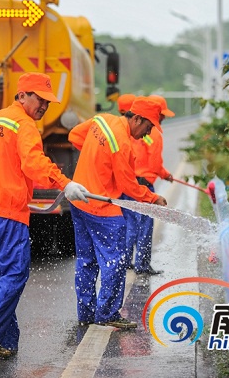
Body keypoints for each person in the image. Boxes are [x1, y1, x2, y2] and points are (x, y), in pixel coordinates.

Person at [0, 72, 89, 358]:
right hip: (6, 211)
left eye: (48, 101)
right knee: (15, 274)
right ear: (22, 95)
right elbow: (34, 164)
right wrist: (65, 183)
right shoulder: (24, 124)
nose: (45, 106)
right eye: (40, 99)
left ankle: (5, 340)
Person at [68, 96, 168, 329]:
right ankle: (108, 313)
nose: (147, 133)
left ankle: (86, 313)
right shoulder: (122, 143)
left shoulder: (102, 120)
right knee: (116, 260)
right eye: (148, 126)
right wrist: (152, 197)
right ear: (137, 118)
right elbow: (128, 186)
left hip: (79, 200)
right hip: (101, 207)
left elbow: (74, 136)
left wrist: (96, 156)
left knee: (86, 260)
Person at [117, 94, 175, 275]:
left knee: (128, 223)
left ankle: (125, 260)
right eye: (162, 114)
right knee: (144, 227)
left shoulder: (129, 129)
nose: (163, 118)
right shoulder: (154, 134)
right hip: (143, 186)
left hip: (129, 183)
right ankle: (142, 264)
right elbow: (155, 163)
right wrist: (165, 174)